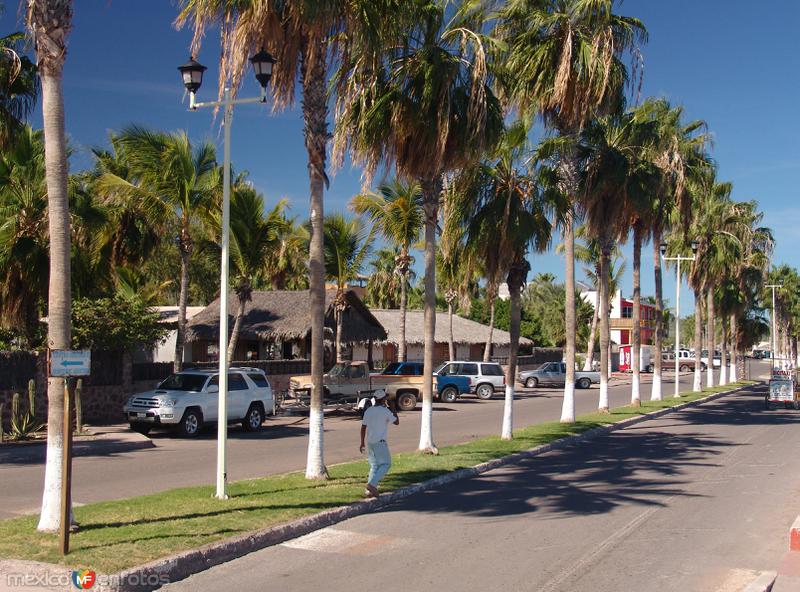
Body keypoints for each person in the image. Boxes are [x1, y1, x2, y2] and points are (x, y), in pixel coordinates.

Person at [359, 389, 399, 497]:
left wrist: (362, 443)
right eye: (385, 398)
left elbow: (363, 427)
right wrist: (393, 407)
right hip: (380, 442)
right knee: (386, 464)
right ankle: (372, 484)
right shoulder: (385, 411)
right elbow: (396, 422)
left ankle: (369, 491)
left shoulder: (369, 410)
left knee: (374, 465)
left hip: (370, 442)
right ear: (382, 400)